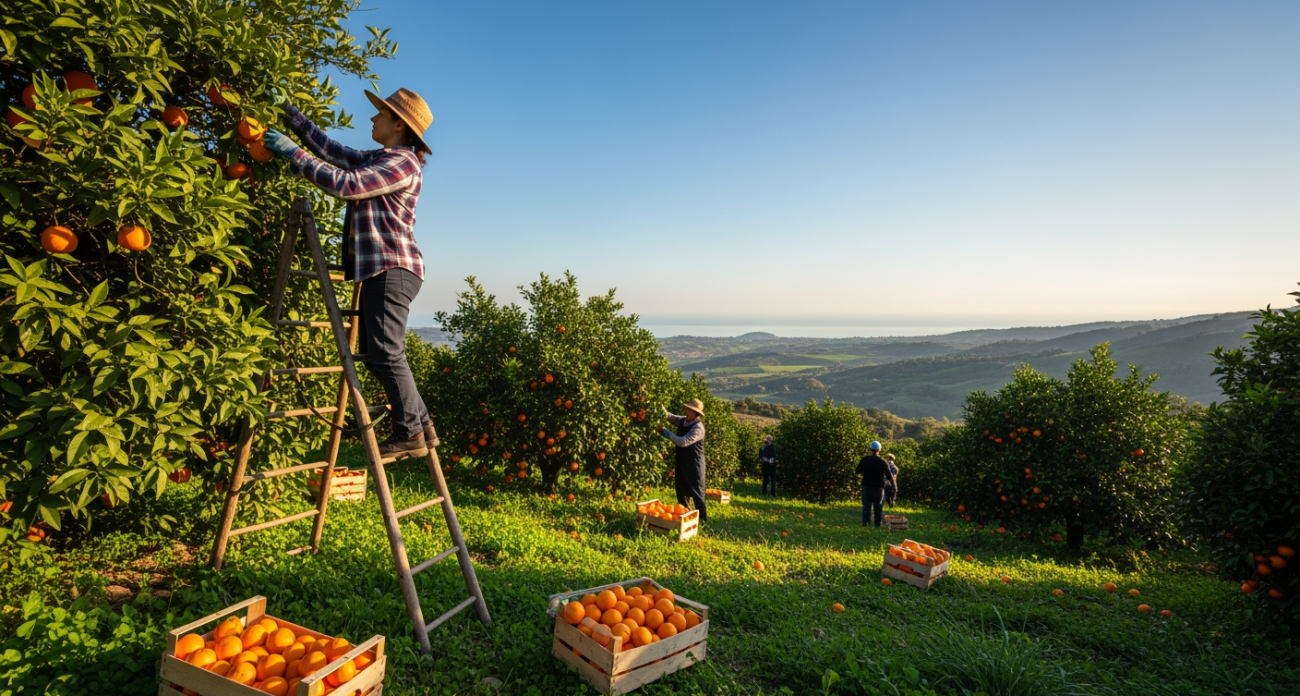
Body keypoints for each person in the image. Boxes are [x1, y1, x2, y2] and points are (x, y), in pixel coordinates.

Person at [262, 88, 434, 456]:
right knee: (377, 356)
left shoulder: (402, 163)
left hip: (393, 267)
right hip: (383, 269)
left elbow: (347, 185)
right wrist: (290, 114)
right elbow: (334, 153)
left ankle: (410, 435)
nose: (373, 119)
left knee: (387, 353)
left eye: (381, 115)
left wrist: (292, 152)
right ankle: (421, 424)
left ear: (399, 124)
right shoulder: (379, 157)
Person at [660, 399, 708, 523]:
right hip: (682, 461)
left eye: (689, 410)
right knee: (681, 490)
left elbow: (683, 442)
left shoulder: (698, 428)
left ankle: (702, 521)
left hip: (694, 464)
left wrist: (666, 433)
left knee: (697, 492)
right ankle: (686, 517)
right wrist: (658, 405)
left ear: (695, 413)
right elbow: (670, 417)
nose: (686, 411)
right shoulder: (684, 421)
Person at [855, 441, 895, 527]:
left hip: (867, 486)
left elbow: (857, 471)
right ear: (879, 450)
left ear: (870, 449)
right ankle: (877, 524)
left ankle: (866, 523)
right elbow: (889, 475)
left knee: (866, 506)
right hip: (879, 488)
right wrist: (894, 487)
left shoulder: (865, 459)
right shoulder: (883, 462)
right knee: (878, 507)